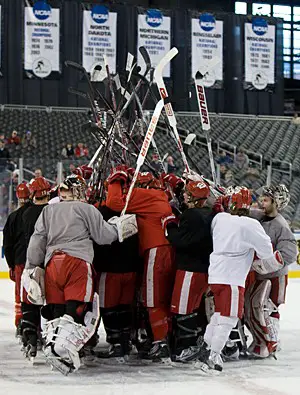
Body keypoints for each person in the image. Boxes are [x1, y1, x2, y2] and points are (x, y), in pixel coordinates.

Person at [22, 174, 136, 374]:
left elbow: (37, 239)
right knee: (77, 307)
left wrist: (31, 265)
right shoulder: (86, 209)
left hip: (52, 264)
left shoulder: (48, 210)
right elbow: (103, 236)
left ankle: (53, 346)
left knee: (57, 308)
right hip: (77, 261)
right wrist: (118, 227)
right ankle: (63, 348)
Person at [198, 186, 283, 371]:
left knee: (219, 314)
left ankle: (206, 348)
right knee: (229, 317)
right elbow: (266, 253)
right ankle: (213, 356)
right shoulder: (250, 225)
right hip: (232, 279)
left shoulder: (220, 219)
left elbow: (220, 210)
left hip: (216, 276)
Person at [106, 168, 175, 362]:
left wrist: (115, 181)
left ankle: (160, 343)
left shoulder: (146, 195)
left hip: (156, 251)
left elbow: (114, 202)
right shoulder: (159, 196)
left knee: (152, 299)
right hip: (166, 251)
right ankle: (161, 339)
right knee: (159, 299)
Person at [163, 179, 214, 362]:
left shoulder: (191, 215)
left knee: (182, 309)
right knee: (193, 308)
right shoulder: (209, 214)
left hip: (190, 270)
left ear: (192, 197)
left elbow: (181, 241)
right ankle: (195, 342)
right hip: (205, 270)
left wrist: (169, 225)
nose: (183, 194)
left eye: (186, 193)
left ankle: (188, 346)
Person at [245, 184, 297, 358]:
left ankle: (272, 341)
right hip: (260, 276)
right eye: (261, 198)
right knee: (255, 308)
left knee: (269, 309)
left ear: (277, 203)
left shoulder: (281, 225)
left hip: (276, 277)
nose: (261, 202)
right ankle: (262, 340)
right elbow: (245, 212)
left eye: (266, 200)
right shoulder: (260, 216)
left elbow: (289, 253)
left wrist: (264, 265)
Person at [3, 182, 31, 336]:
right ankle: (34, 325)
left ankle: (21, 323)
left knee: (20, 294)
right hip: (37, 261)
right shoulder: (40, 212)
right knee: (36, 294)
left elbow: (7, 244)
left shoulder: (13, 217)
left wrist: (11, 264)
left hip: (20, 261)